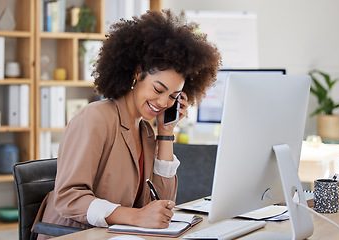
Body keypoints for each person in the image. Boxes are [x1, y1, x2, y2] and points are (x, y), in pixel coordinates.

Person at [35, 9, 221, 239]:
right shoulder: (95, 118)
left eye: (173, 96)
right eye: (158, 89)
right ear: (138, 73)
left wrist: (165, 133)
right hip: (71, 234)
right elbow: (69, 197)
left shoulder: (145, 131)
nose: (164, 102)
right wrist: (135, 217)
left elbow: (162, 203)